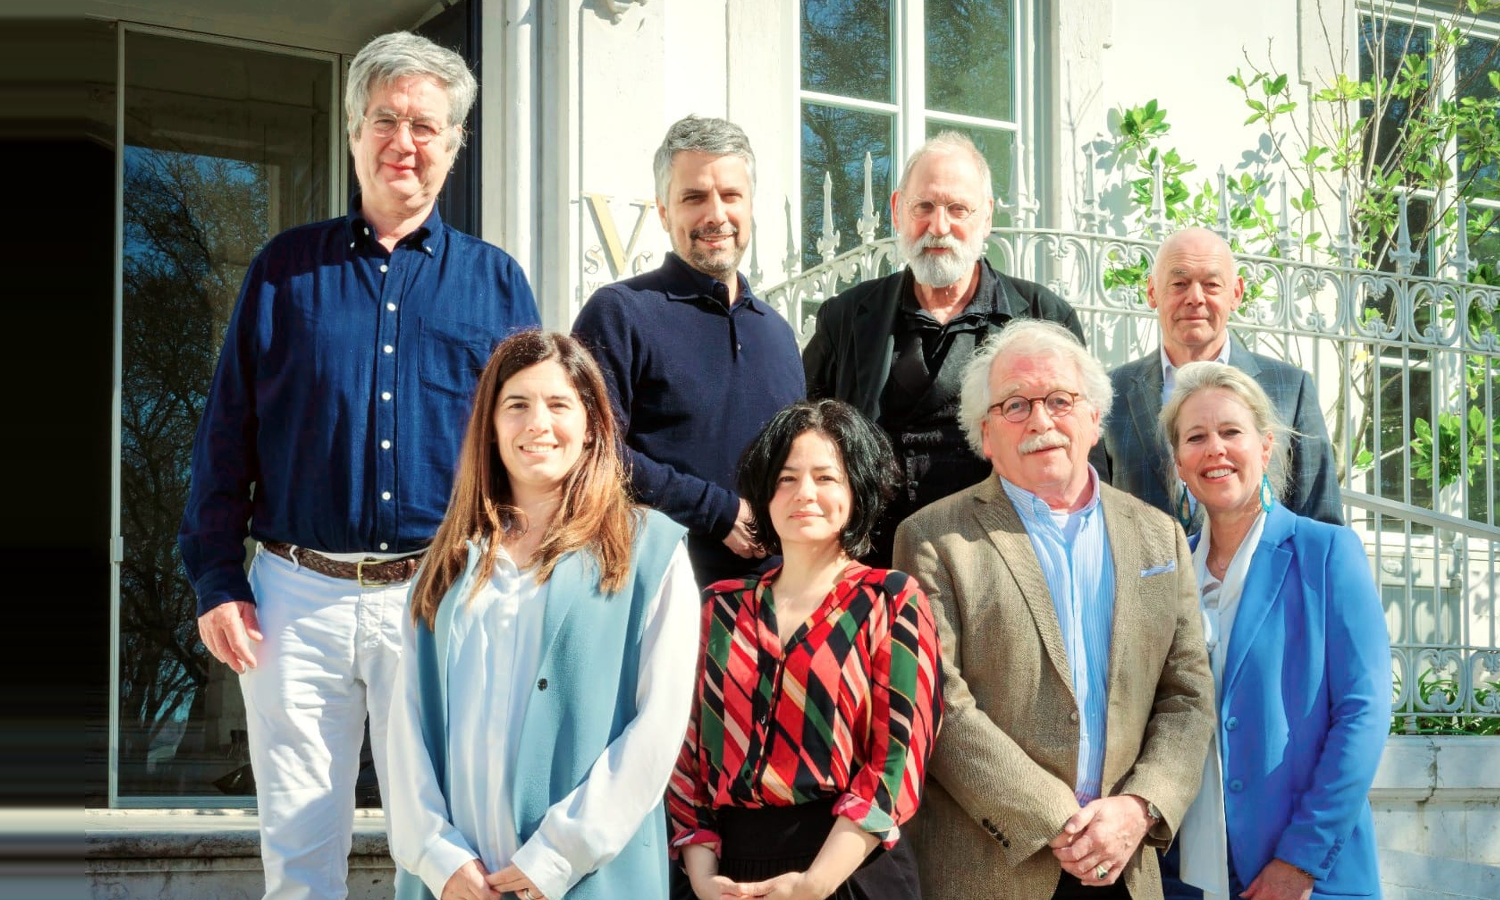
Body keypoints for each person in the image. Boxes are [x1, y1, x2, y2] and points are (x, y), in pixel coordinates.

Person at [177, 31, 540, 900]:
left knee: (453, 847)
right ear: (353, 133)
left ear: (454, 146)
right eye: (384, 119)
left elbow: (531, 445)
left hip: (441, 592)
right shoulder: (283, 271)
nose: (403, 142)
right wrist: (216, 579)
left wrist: (522, 575)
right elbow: (226, 433)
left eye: (425, 125)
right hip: (294, 601)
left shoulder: (497, 284)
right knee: (300, 855)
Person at [892, 319, 1215, 900]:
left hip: (1124, 864)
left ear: (1094, 417)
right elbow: (939, 703)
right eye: (1015, 405)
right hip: (993, 869)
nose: (1040, 421)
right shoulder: (931, 538)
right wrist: (1057, 820)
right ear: (985, 435)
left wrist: (1140, 807)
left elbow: (1187, 695)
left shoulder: (1159, 537)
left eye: (1060, 400)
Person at [387, 331, 699, 900]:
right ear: (490, 425)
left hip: (587, 877)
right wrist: (437, 855)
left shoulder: (649, 551)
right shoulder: (447, 559)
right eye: (517, 405)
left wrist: (558, 855)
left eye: (559, 404)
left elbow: (659, 725)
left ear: (591, 424)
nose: (538, 424)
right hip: (458, 883)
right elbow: (404, 721)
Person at [669, 399, 942, 900]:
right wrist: (703, 878)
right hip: (727, 876)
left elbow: (897, 762)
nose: (805, 493)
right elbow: (685, 755)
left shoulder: (890, 600)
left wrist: (815, 884)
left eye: (825, 477)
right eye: (787, 478)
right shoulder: (719, 609)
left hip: (848, 870)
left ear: (856, 489)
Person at [1157, 362, 1389, 900]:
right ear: (1179, 463)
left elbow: (1364, 712)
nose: (1215, 449)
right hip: (1186, 874)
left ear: (1265, 447)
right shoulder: (1168, 571)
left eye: (1231, 431)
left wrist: (1300, 860)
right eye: (1196, 437)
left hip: (1303, 874)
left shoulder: (1327, 553)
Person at [802, 131, 1086, 566]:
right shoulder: (845, 318)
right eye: (924, 207)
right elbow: (805, 439)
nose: (939, 226)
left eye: (957, 209)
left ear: (986, 217)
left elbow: (1082, 451)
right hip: (872, 563)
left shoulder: (1043, 316)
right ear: (897, 211)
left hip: (1003, 559)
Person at [573, 114, 805, 589]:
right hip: (658, 597)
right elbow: (590, 451)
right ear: (663, 212)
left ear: (750, 206)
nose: (715, 214)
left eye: (731, 195)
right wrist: (716, 511)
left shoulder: (779, 334)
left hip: (775, 600)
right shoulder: (620, 313)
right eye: (694, 197)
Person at [1104, 227, 1341, 530]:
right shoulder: (1112, 392)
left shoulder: (1290, 389)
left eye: (1211, 284)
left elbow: (1321, 519)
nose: (1195, 298)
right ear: (1152, 292)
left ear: (1236, 293)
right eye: (1179, 284)